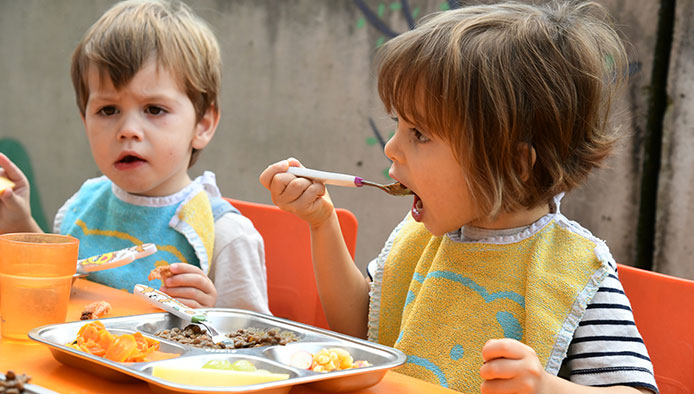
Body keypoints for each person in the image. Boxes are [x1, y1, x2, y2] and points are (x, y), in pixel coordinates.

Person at [259, 1, 657, 393]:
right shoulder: (419, 241)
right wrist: (322, 222)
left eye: (420, 134)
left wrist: (545, 388)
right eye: (398, 124)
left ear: (515, 163)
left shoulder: (576, 272)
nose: (391, 149)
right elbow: (359, 330)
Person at [0, 0, 269, 314]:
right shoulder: (82, 207)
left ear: (203, 124)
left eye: (154, 109)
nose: (128, 130)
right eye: (108, 110)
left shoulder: (227, 236)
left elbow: (253, 347)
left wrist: (208, 315)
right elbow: (61, 290)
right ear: (84, 120)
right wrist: (19, 223)